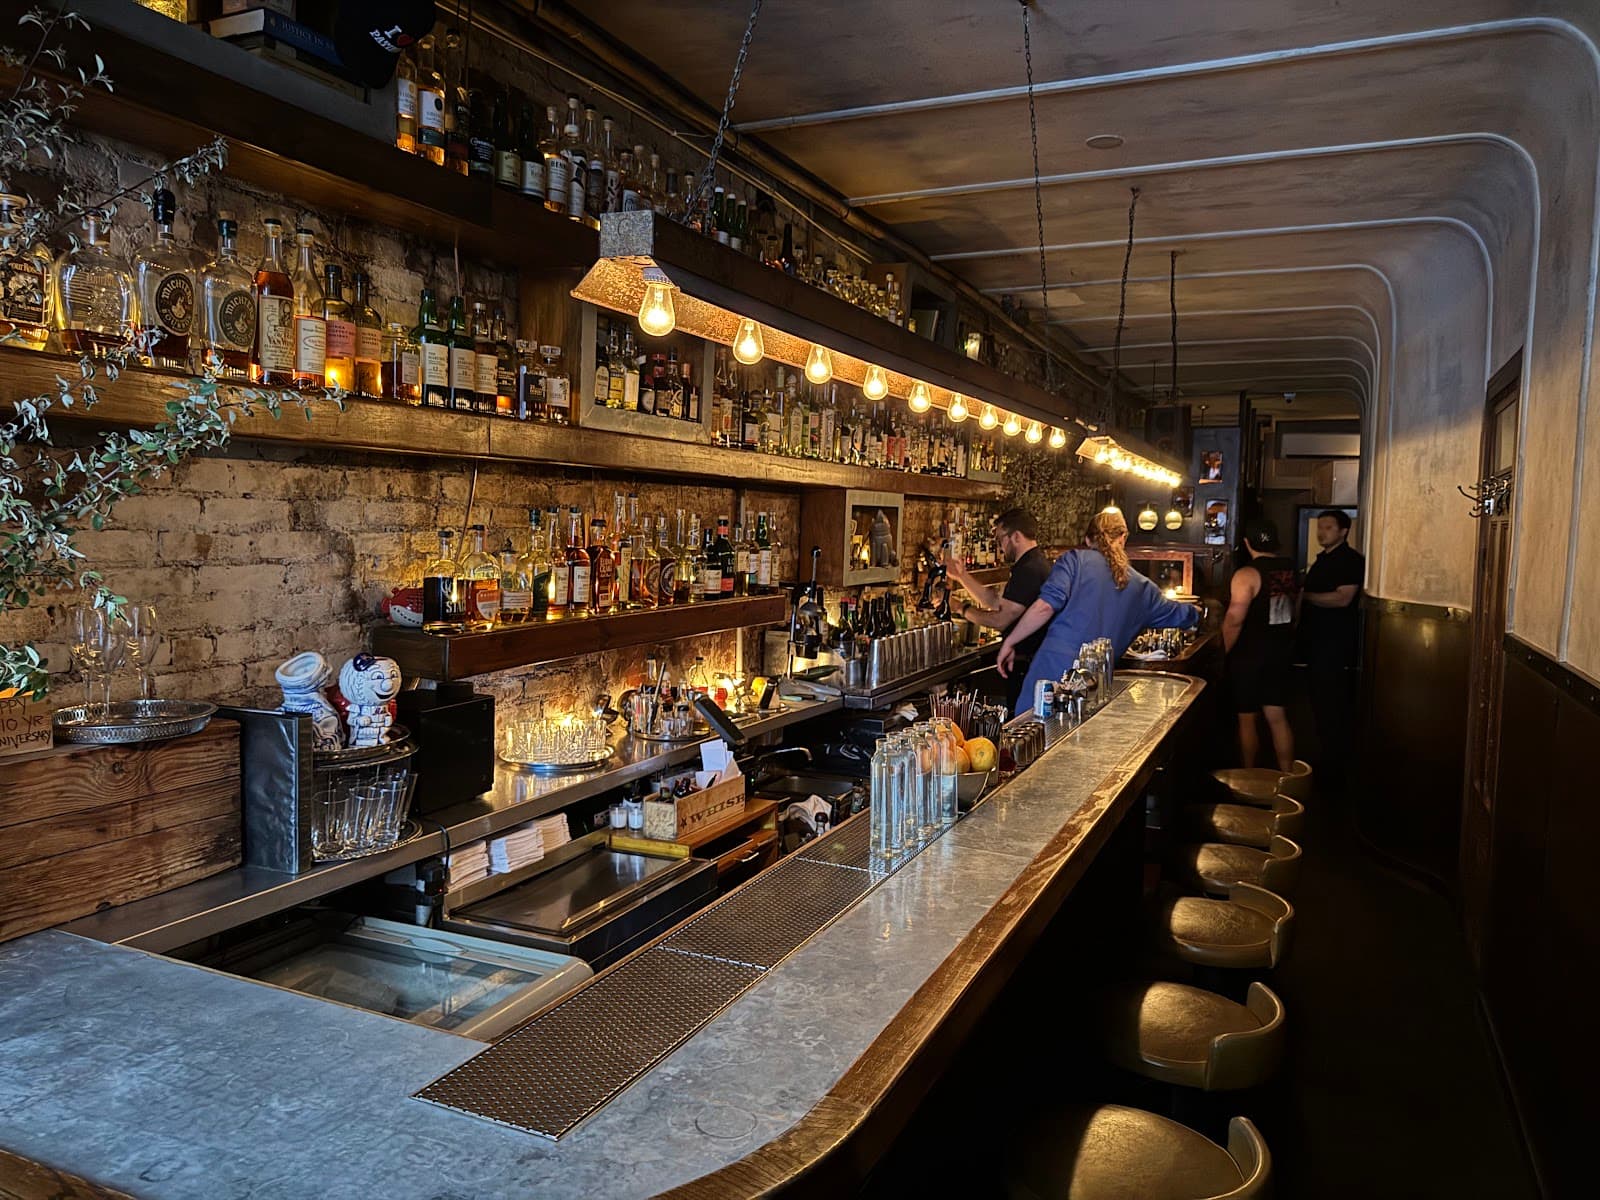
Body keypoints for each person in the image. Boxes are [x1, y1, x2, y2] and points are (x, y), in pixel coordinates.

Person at [997, 509, 1199, 715]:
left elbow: (1045, 607)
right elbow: (1184, 615)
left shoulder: (1074, 561)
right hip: (1095, 687)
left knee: (1031, 729)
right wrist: (1199, 612)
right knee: (1081, 733)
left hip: (1050, 674)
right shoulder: (1144, 589)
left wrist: (1010, 641)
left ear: (1087, 539)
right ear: (1123, 538)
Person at [946, 507, 1054, 713]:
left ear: (1016, 536)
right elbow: (996, 601)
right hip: (1025, 663)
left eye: (1000, 539)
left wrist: (961, 608)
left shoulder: (1029, 570)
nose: (1000, 547)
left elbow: (1000, 619)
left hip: (1027, 666)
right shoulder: (1031, 564)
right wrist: (962, 576)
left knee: (1021, 721)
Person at [1223, 517, 1300, 771]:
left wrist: (1222, 652)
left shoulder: (1246, 574)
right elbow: (1296, 611)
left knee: (1247, 719)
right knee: (1277, 717)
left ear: (1247, 543)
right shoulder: (1291, 569)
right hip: (1280, 651)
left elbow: (1234, 619)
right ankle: (1288, 777)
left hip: (1250, 654)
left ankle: (1248, 777)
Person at [1297, 509, 1365, 782]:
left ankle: (1335, 768)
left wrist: (1305, 596)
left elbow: (1343, 598)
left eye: (1328, 527)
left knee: (1332, 705)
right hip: (1317, 642)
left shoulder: (1350, 560)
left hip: (1335, 644)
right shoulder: (1323, 558)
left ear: (1343, 531)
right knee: (1319, 703)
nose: (1321, 532)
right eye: (1320, 527)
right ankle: (1326, 760)